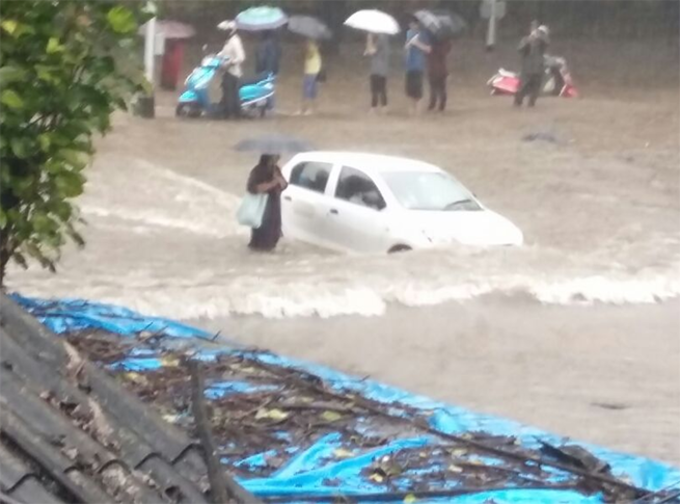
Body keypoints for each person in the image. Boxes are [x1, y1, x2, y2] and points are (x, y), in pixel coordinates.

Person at [246, 154, 288, 251]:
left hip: (274, 205)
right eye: (275, 157)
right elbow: (253, 188)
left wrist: (279, 179)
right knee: (261, 234)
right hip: (261, 206)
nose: (278, 158)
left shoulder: (276, 169)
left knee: (274, 232)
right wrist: (272, 183)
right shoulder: (257, 171)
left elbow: (284, 185)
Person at [514, 24, 549, 108]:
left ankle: (531, 104)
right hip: (527, 69)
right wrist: (529, 39)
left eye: (542, 33)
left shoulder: (542, 42)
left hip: (538, 68)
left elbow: (546, 43)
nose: (540, 34)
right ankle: (518, 102)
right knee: (523, 87)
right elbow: (520, 49)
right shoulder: (526, 39)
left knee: (536, 88)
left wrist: (539, 37)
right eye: (539, 32)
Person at [218, 22, 245, 119]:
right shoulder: (228, 41)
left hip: (233, 73)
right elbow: (224, 53)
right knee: (226, 92)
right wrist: (215, 57)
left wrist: (230, 63)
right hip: (227, 72)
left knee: (230, 94)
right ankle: (226, 111)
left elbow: (241, 57)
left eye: (224, 31)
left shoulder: (235, 41)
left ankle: (233, 113)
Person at [404, 19, 431, 116]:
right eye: (409, 24)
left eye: (413, 24)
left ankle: (418, 112)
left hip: (418, 65)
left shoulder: (423, 34)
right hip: (409, 66)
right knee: (410, 91)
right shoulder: (409, 33)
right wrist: (408, 45)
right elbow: (406, 47)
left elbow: (428, 49)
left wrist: (417, 43)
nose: (411, 25)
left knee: (418, 91)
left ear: (417, 24)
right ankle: (411, 111)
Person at [364, 33, 390, 114]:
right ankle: (383, 107)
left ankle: (375, 108)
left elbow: (371, 51)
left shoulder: (381, 39)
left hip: (378, 69)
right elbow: (367, 52)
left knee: (376, 89)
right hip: (381, 69)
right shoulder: (383, 39)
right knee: (381, 89)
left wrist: (369, 39)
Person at [427, 37, 452, 112]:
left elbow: (427, 53)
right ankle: (442, 105)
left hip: (433, 69)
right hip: (442, 70)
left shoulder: (431, 45)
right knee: (442, 88)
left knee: (433, 88)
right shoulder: (445, 45)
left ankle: (432, 104)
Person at [300, 39, 322, 115]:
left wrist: (304, 50)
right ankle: (313, 109)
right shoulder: (315, 49)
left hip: (310, 72)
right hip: (314, 72)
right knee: (313, 91)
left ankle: (305, 109)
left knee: (307, 91)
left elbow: (309, 56)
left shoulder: (311, 49)